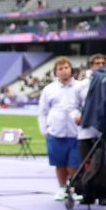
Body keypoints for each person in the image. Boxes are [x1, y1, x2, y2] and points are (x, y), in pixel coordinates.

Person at [37, 56, 82, 199]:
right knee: (60, 163)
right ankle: (62, 188)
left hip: (76, 132)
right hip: (56, 131)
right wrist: (45, 130)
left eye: (66, 68)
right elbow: (43, 111)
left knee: (74, 164)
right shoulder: (49, 89)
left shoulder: (80, 87)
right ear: (56, 72)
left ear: (71, 69)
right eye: (60, 69)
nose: (63, 71)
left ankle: (74, 188)